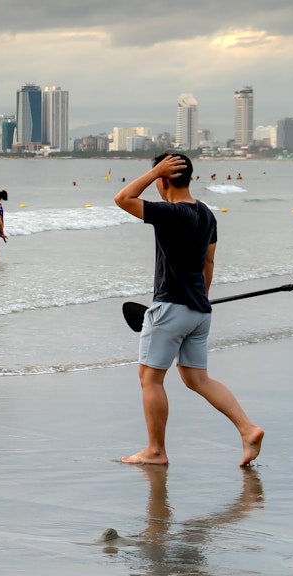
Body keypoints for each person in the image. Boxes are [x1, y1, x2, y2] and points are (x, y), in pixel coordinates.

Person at [113, 152, 264, 467]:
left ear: (164, 180)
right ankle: (247, 430)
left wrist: (154, 171)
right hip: (199, 310)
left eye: (158, 178)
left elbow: (123, 198)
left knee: (150, 379)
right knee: (198, 379)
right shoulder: (208, 215)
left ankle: (156, 450)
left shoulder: (170, 212)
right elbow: (209, 262)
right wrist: (201, 298)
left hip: (170, 307)